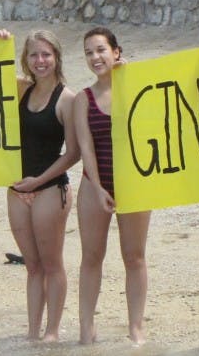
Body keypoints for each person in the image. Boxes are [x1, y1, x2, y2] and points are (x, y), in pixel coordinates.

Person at [0, 29, 79, 341]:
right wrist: (1, 41)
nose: (40, 60)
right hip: (16, 189)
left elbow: (72, 153)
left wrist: (38, 182)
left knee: (51, 262)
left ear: (56, 57)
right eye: (33, 54)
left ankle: (53, 330)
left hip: (49, 187)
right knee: (32, 266)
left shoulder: (67, 98)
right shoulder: (20, 89)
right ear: (25, 60)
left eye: (46, 54)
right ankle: (33, 330)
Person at [73, 26, 151, 346]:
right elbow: (86, 147)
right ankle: (86, 327)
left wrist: (129, 74)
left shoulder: (136, 87)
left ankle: (136, 327)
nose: (95, 57)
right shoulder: (83, 98)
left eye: (101, 49)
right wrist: (97, 188)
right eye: (89, 52)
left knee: (134, 257)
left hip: (135, 184)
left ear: (116, 52)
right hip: (95, 184)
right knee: (91, 256)